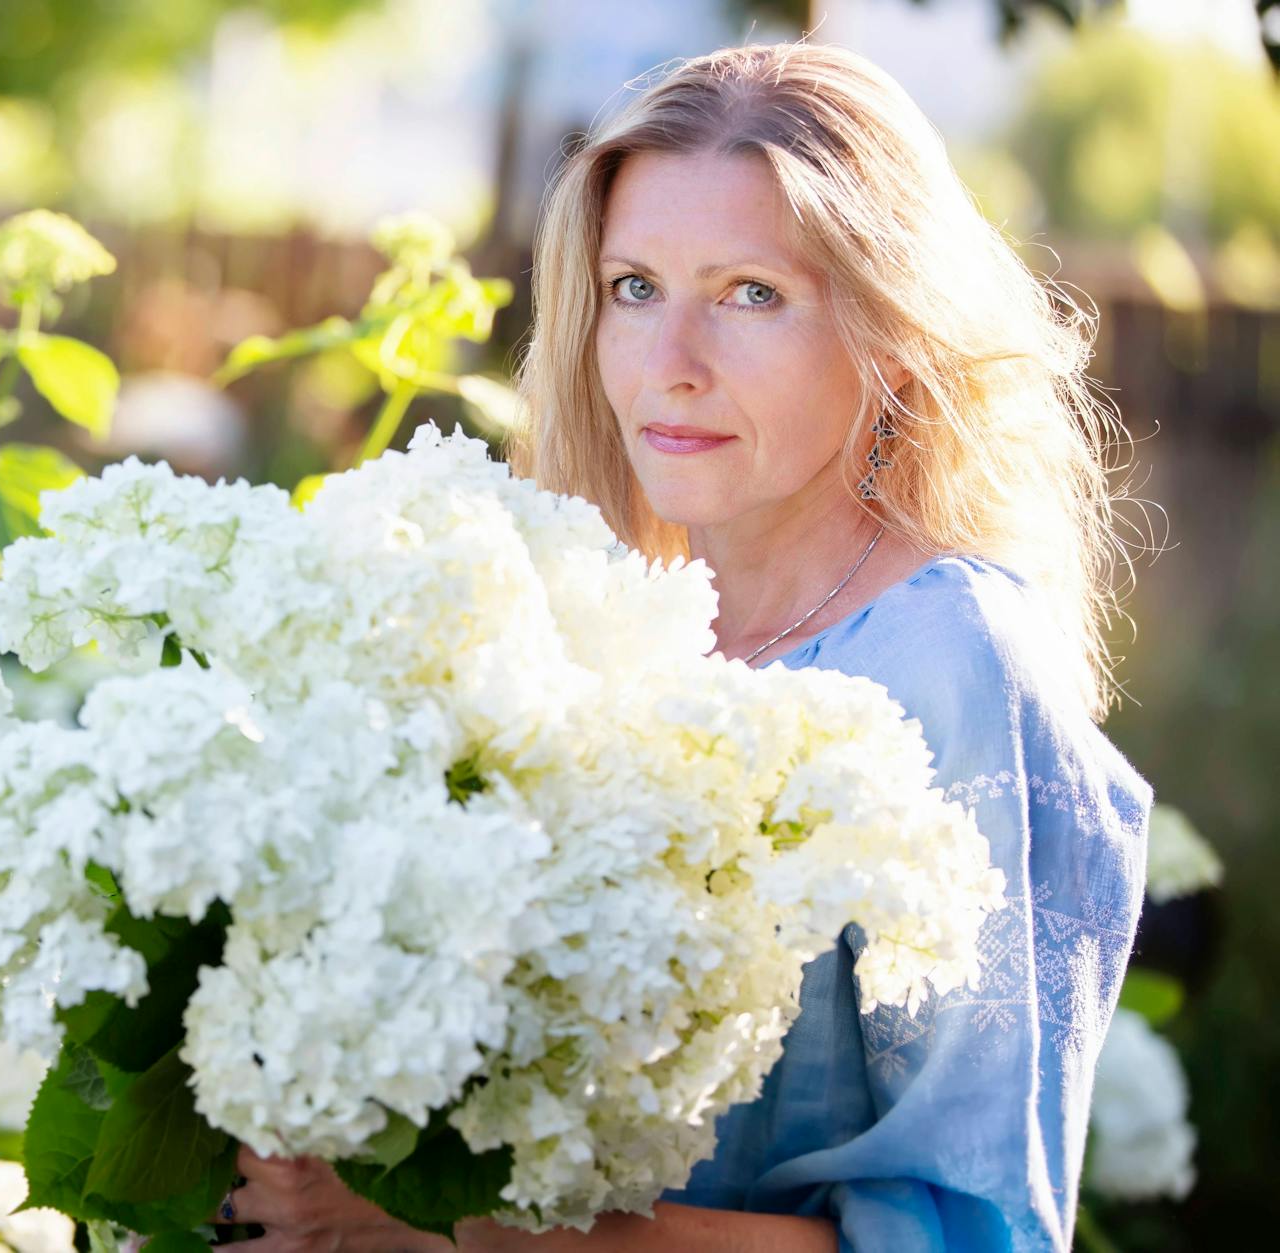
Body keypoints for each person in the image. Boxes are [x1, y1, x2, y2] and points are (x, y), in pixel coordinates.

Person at [216, 40, 1153, 1252]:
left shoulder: (953, 662)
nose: (670, 366)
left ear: (888, 325)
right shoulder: (581, 620)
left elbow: (977, 1232)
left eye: (749, 293)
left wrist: (452, 1229)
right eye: (634, 288)